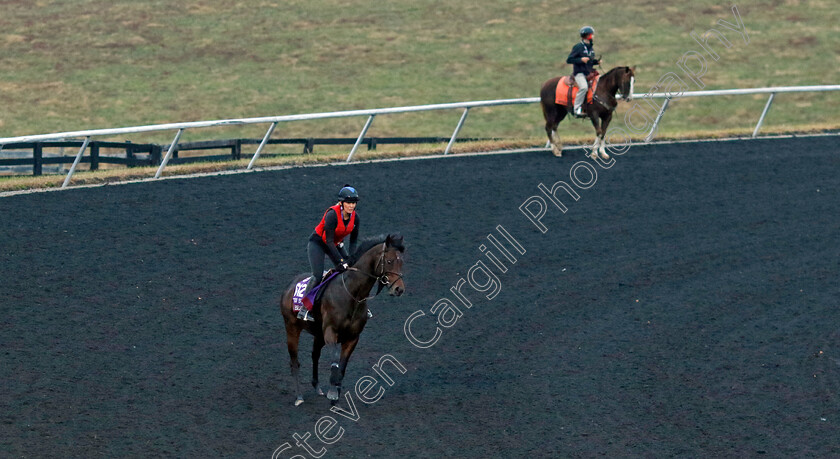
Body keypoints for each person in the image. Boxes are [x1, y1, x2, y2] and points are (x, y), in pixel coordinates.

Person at [297, 185, 361, 321]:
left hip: (335, 244)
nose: (351, 206)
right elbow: (329, 241)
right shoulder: (332, 215)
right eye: (349, 202)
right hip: (319, 243)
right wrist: (341, 262)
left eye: (354, 203)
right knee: (318, 275)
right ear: (341, 203)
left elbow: (354, 241)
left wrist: (351, 259)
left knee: (353, 270)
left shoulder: (356, 218)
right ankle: (304, 309)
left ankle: (357, 306)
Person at [566, 25, 601, 118]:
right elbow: (569, 60)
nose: (593, 36)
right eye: (592, 34)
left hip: (588, 72)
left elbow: (588, 61)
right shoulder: (578, 47)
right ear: (588, 36)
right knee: (584, 87)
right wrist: (581, 60)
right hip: (579, 73)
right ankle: (576, 109)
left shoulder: (590, 47)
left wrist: (595, 62)